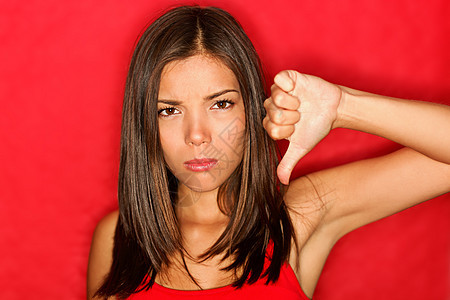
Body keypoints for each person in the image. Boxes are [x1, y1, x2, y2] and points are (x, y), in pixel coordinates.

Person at [86, 5, 450, 300]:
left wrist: (344, 107)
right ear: (144, 124)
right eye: (169, 110)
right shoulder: (118, 236)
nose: (196, 135)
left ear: (253, 110)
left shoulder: (298, 216)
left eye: (221, 104)